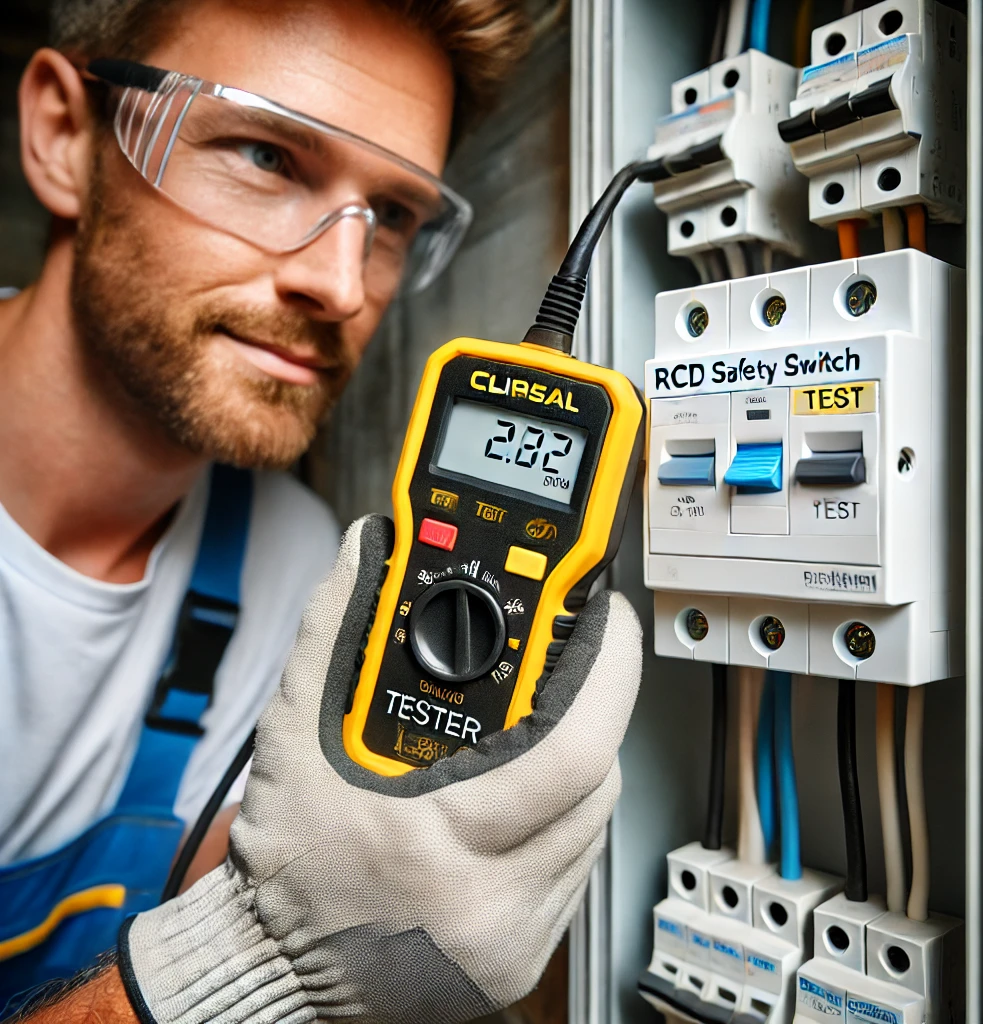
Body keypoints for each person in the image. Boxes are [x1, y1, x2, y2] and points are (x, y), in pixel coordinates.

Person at [0, 0, 644, 1020]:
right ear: (63, 133)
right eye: (264, 154)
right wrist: (249, 968)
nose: (341, 284)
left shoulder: (303, 562)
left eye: (392, 217)